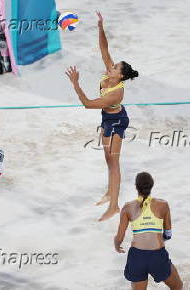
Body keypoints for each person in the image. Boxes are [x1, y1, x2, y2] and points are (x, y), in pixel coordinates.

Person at [65, 12, 139, 221]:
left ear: (120, 76)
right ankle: (109, 192)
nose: (111, 67)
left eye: (115, 67)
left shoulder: (116, 93)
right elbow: (104, 49)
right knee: (108, 159)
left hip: (117, 121)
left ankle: (114, 206)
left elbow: (88, 104)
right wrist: (100, 28)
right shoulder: (110, 74)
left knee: (114, 162)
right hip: (107, 119)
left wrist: (76, 84)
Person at [114, 172, 183, 290]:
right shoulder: (163, 205)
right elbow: (168, 234)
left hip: (137, 257)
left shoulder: (127, 207)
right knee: (178, 286)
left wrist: (117, 245)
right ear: (152, 186)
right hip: (157, 256)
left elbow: (119, 237)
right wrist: (160, 240)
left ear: (136, 187)